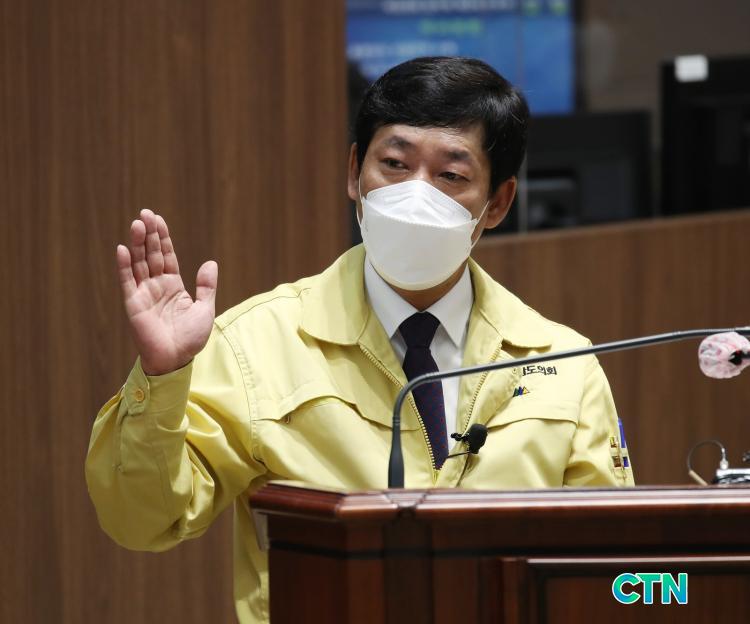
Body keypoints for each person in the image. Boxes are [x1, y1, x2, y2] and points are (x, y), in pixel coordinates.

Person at [85, 56, 634, 624]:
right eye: (394, 164)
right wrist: (162, 379)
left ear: (497, 203)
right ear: (355, 173)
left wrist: (673, 587)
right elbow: (141, 521)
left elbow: (616, 573)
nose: (415, 197)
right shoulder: (255, 345)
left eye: (451, 176)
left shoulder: (564, 363)